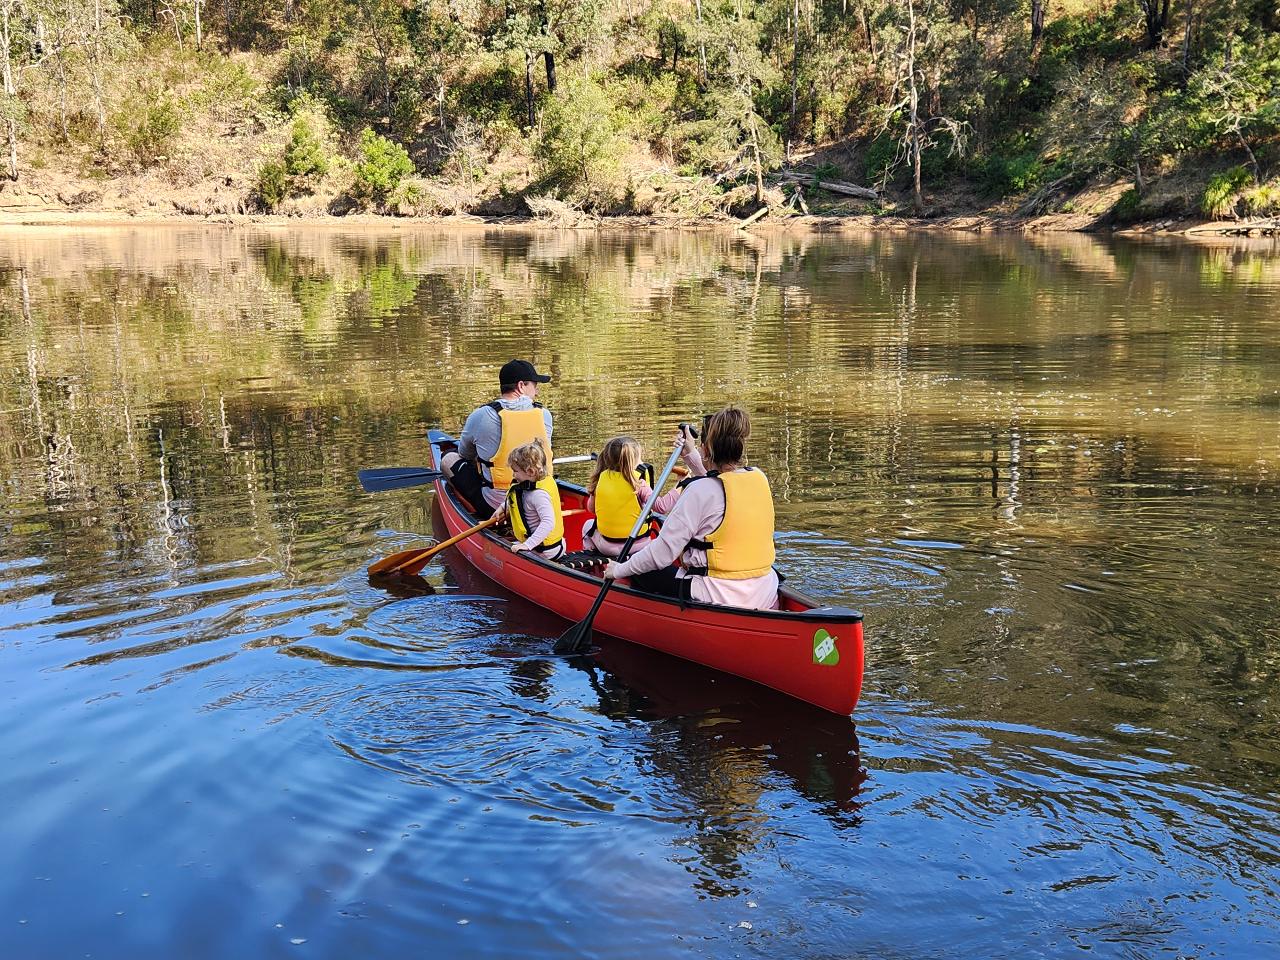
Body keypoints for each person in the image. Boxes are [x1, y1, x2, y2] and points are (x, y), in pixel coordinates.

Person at [603, 407, 779, 610]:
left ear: (706, 449)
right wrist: (690, 453)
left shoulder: (698, 490)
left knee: (640, 567)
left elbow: (661, 554)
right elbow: (720, 484)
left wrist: (619, 570)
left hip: (717, 595)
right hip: (765, 590)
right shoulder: (758, 477)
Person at [441, 359, 553, 519]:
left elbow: (464, 454)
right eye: (535, 386)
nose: (537, 392)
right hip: (543, 500)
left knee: (448, 457)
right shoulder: (545, 415)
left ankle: (469, 507)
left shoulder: (480, 416)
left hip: (497, 505)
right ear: (521, 386)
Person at [493, 440, 565, 559]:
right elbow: (518, 499)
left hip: (545, 551)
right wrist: (501, 508)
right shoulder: (528, 485)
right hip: (540, 546)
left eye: (515, 471)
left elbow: (548, 522)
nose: (513, 475)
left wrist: (527, 545)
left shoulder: (538, 495)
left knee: (502, 551)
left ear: (530, 472)